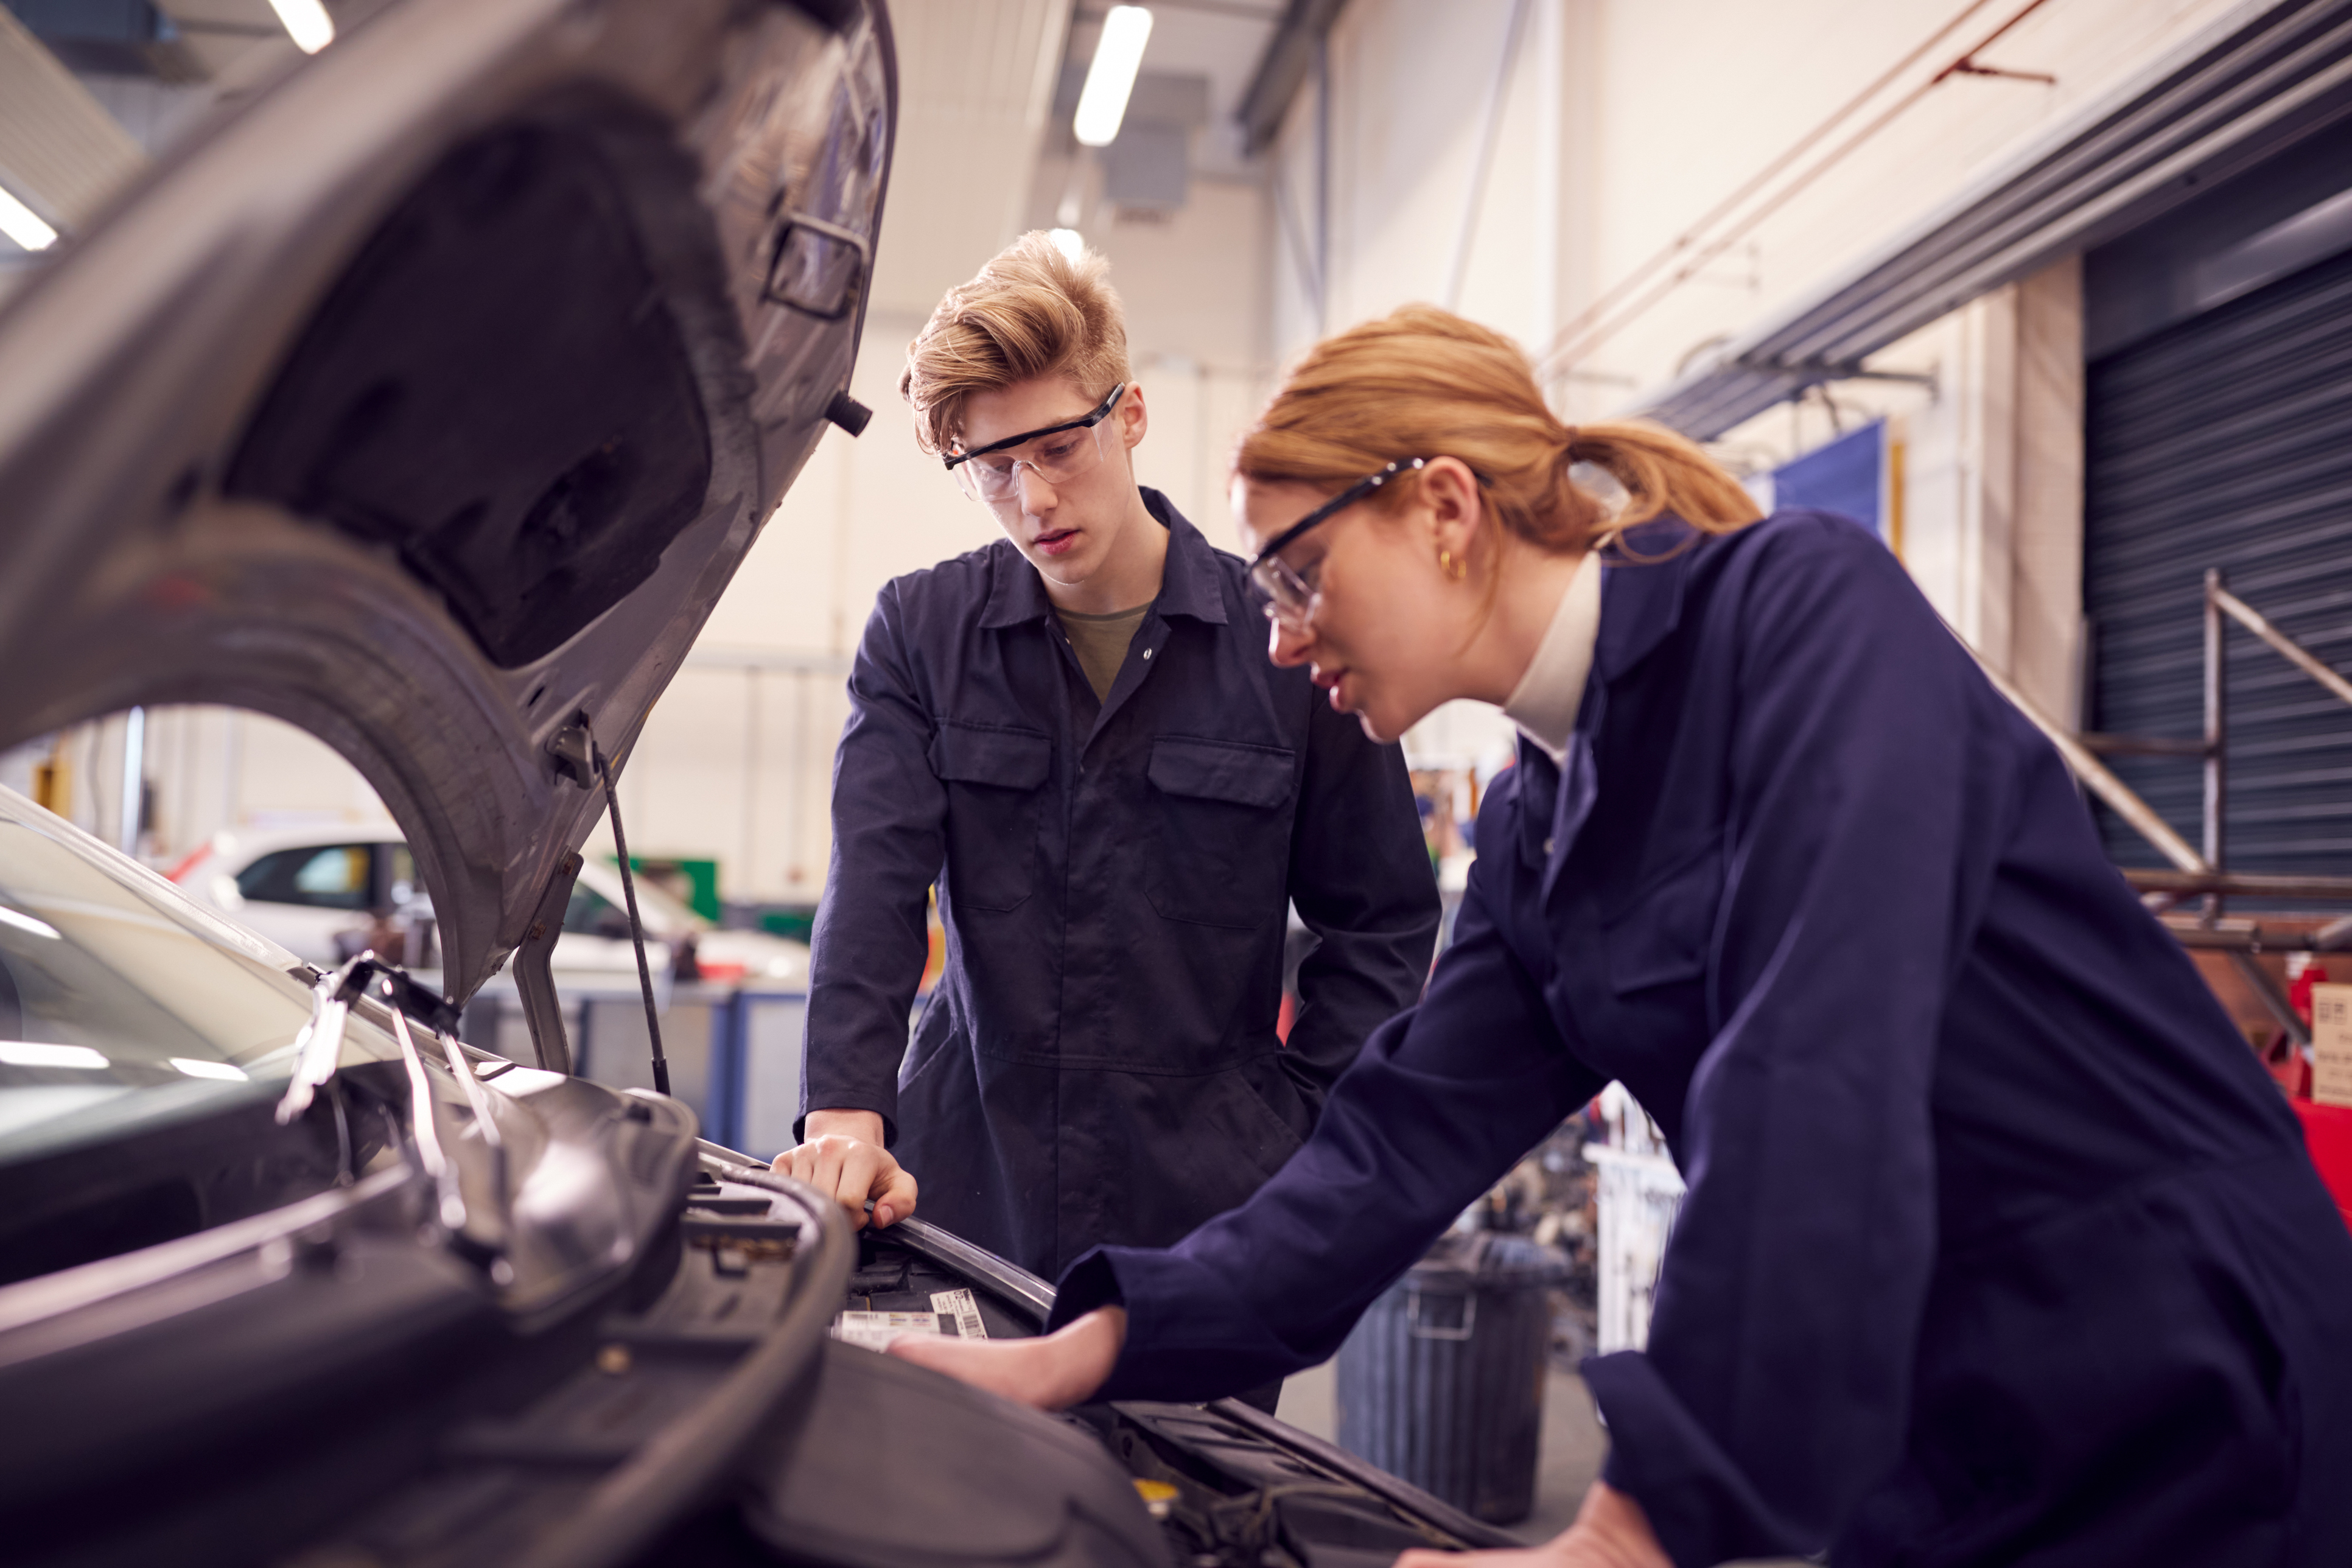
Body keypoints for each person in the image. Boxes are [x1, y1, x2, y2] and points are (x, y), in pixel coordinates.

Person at [892, 304, 2352, 1567]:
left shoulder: (1803, 617)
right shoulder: (1541, 824)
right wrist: (1099, 1341)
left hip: (2189, 1360)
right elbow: (1391, 1145)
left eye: (1294, 575)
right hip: (1953, 1397)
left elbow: (1813, 1059)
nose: (1277, 636)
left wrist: (1637, 1523)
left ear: (1445, 511)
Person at [777, 236, 1440, 1307]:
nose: (1032, 498)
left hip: (1206, 1215)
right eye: (992, 468)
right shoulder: (922, 634)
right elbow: (874, 891)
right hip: (957, 1188)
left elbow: (1383, 924)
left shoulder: (1281, 639)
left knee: (1174, 1479)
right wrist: (846, 1114)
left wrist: (1301, 1136)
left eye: (1055, 449)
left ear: (1127, 415)